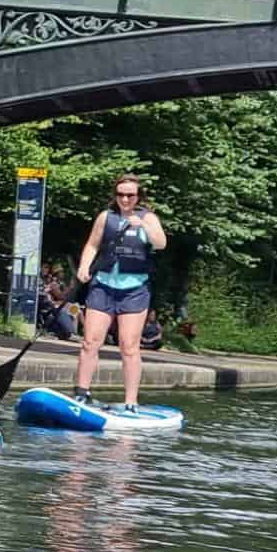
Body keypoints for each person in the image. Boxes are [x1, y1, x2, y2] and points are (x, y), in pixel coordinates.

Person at [71, 174, 167, 411]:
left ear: (138, 197)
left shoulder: (149, 218)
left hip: (134, 289)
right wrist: (84, 266)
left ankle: (131, 401)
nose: (124, 199)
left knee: (129, 346)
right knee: (90, 342)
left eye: (130, 195)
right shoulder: (106, 217)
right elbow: (93, 244)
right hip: (103, 285)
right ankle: (82, 393)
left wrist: (142, 225)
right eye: (120, 194)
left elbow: (161, 243)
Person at [38, 262, 81, 341]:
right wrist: (70, 288)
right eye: (61, 272)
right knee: (72, 309)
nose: (62, 273)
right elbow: (60, 296)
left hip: (62, 304)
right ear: (56, 274)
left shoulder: (61, 283)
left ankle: (73, 332)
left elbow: (65, 296)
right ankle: (71, 333)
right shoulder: (54, 283)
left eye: (62, 272)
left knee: (76, 309)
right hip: (56, 305)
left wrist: (69, 289)